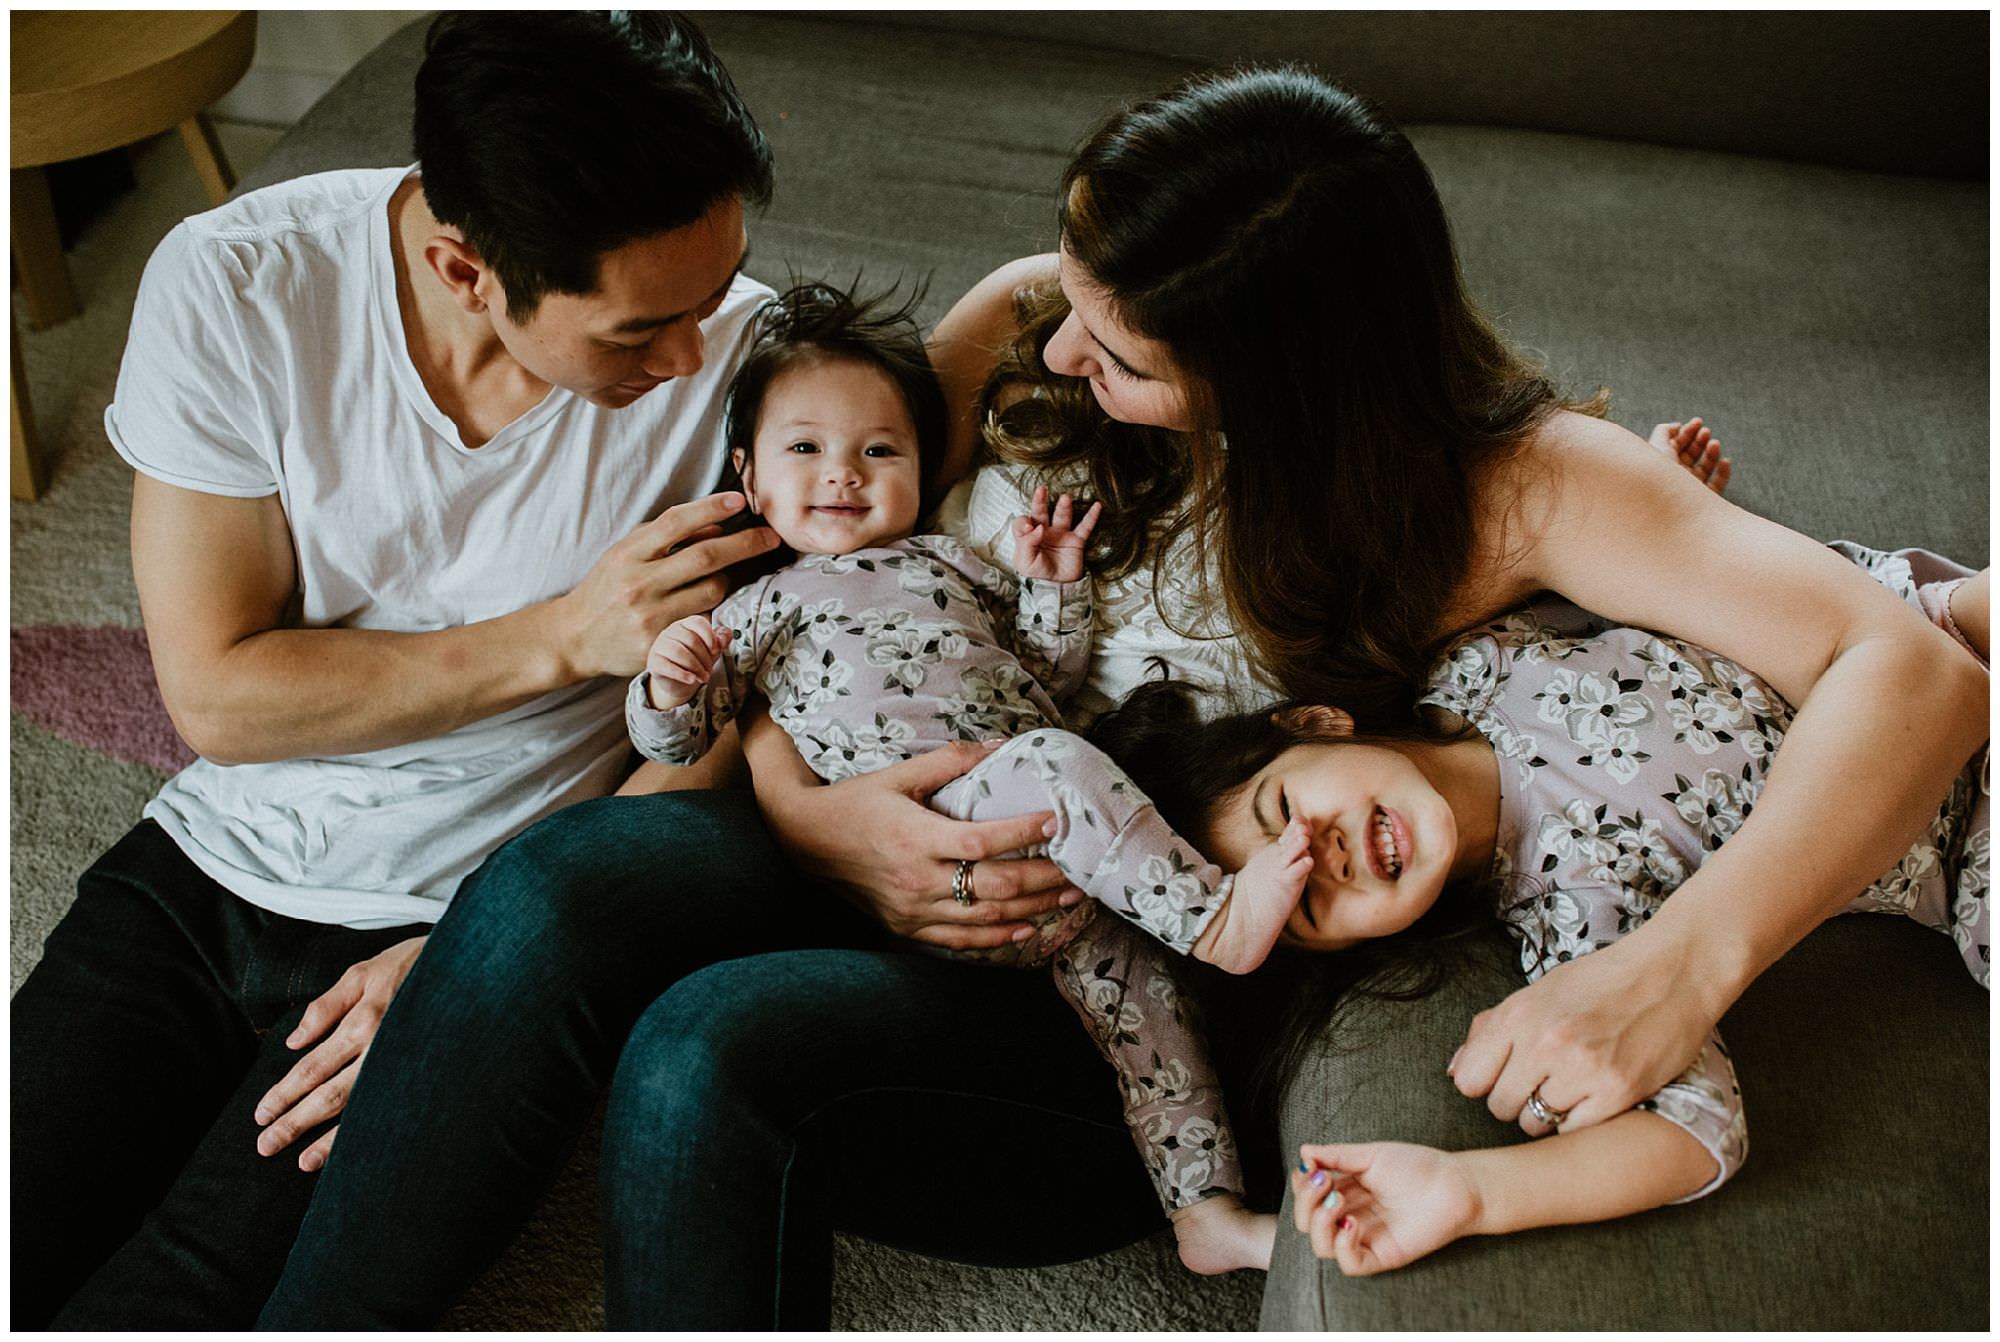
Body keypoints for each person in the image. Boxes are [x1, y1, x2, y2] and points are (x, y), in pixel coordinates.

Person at [263, 63, 1980, 1330]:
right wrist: (803, 810)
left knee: (704, 1052)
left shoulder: (1519, 490)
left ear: (1284, 374)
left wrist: (1679, 970)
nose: (1060, 346)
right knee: (551, 896)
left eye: (1125, 352)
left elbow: (1901, 663)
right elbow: (831, 578)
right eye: (1076, 299)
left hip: (1118, 966)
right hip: (892, 803)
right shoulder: (1039, 320)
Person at [9, 12, 786, 1329]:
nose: (689, 357)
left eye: (716, 293)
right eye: (639, 331)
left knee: (175, 1299)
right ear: (464, 266)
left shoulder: (756, 368)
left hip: (460, 917)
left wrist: (486, 961)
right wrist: (561, 635)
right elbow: (219, 694)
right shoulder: (241, 285)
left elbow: (734, 722)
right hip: (208, 868)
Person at [630, 278, 1319, 1269]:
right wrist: (667, 682)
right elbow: (682, 739)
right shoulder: (758, 607)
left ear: (920, 463)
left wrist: (1052, 587)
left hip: (1069, 858)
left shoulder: (951, 562)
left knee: (1152, 1016)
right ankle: (1213, 917)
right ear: (747, 472)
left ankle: (1204, 1211)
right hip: (944, 833)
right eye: (805, 449)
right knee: (1052, 760)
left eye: (879, 451)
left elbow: (1044, 673)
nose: (843, 474)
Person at [1081, 546, 1987, 1271]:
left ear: (1315, 723)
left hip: (1903, 621)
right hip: (1966, 828)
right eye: (1306, 905)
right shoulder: (1575, 920)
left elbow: (1639, 552)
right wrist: (1470, 1192)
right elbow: (1692, 1134)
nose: (1327, 859)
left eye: (1283, 813)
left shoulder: (1482, 650)